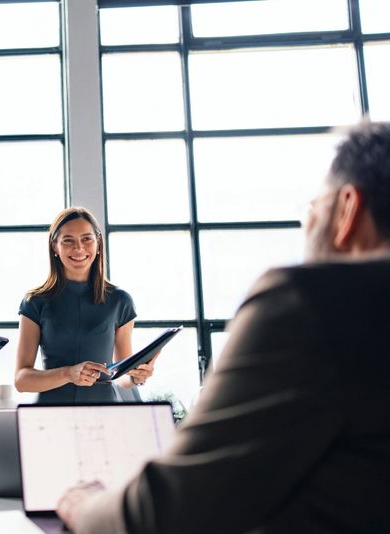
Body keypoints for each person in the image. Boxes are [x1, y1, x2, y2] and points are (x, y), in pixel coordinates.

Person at [57, 121, 390, 533]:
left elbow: (170, 511)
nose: (306, 223)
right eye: (68, 241)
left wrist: (82, 504)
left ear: (348, 209)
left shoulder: (307, 304)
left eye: (313, 207)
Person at [14, 207, 156, 404]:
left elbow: (122, 377)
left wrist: (136, 376)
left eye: (87, 239)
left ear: (98, 243)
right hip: (50, 417)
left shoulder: (120, 301)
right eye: (68, 240)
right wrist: (68, 374)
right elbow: (21, 380)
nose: (78, 248)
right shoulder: (35, 301)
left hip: (105, 414)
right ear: (55, 247)